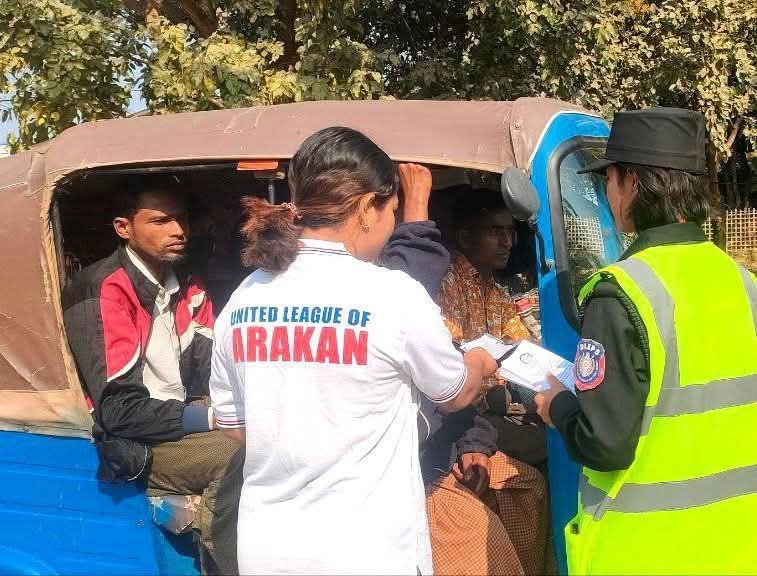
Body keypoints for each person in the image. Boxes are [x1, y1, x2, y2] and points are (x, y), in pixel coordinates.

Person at [209, 127, 498, 575]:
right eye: (392, 211)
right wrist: (479, 360)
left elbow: (235, 426)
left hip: (268, 549)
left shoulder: (245, 297)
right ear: (366, 208)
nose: (391, 225)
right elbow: (455, 393)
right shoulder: (391, 294)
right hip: (368, 549)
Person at [534, 107, 757, 575]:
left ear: (631, 182)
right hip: (736, 545)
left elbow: (604, 445)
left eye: (609, 180)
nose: (608, 193)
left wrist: (558, 406)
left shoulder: (621, 292)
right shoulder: (742, 283)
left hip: (647, 552)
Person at [62, 180, 243, 576]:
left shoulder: (188, 285)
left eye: (181, 219)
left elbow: (211, 371)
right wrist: (212, 418)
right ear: (123, 228)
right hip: (136, 443)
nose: (178, 230)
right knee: (237, 454)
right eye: (160, 221)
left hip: (179, 419)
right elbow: (117, 411)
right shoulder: (105, 289)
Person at [383, 170, 549, 576]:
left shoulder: (493, 290)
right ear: (465, 237)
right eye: (495, 231)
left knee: (531, 483)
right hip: (457, 417)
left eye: (509, 232)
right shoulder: (440, 284)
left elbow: (521, 348)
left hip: (482, 412)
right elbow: (449, 374)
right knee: (551, 447)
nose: (507, 241)